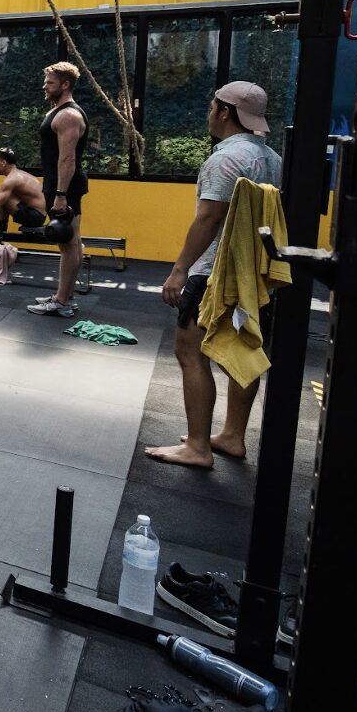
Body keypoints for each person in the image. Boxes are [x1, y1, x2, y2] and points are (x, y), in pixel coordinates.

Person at [146, 82, 282, 469]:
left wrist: (179, 270)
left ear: (223, 112)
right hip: (253, 276)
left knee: (189, 351)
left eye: (211, 108)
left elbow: (209, 217)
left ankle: (199, 447)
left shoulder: (224, 160)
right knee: (245, 351)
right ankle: (233, 437)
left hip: (215, 273)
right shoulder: (272, 158)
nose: (209, 114)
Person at [28, 62, 89, 317]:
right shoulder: (58, 112)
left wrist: (61, 195)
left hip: (65, 186)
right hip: (60, 184)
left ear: (65, 85)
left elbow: (68, 159)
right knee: (72, 241)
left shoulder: (68, 116)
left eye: (50, 83)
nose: (45, 86)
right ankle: (66, 297)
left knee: (68, 243)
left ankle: (62, 302)